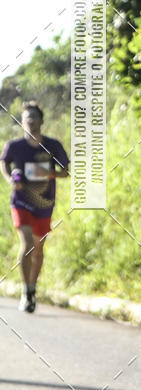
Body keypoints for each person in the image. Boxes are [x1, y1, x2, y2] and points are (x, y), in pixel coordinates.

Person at [0, 101, 69, 313]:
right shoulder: (14, 146)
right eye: (26, 117)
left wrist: (44, 173)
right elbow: (4, 162)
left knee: (38, 249)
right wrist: (11, 178)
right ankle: (26, 290)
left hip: (44, 202)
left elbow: (66, 171)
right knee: (28, 243)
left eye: (34, 117)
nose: (30, 120)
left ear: (42, 120)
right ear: (22, 122)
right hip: (20, 201)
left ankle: (33, 288)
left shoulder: (53, 145)